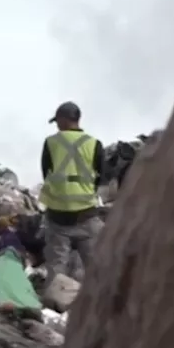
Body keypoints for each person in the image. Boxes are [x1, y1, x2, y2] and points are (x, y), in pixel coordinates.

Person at [39, 101, 105, 281]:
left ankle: (55, 305)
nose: (57, 126)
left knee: (56, 271)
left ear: (63, 119)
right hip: (87, 215)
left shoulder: (51, 143)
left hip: (58, 218)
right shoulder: (94, 144)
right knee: (99, 270)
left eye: (57, 121)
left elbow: (47, 174)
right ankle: (104, 305)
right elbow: (100, 177)